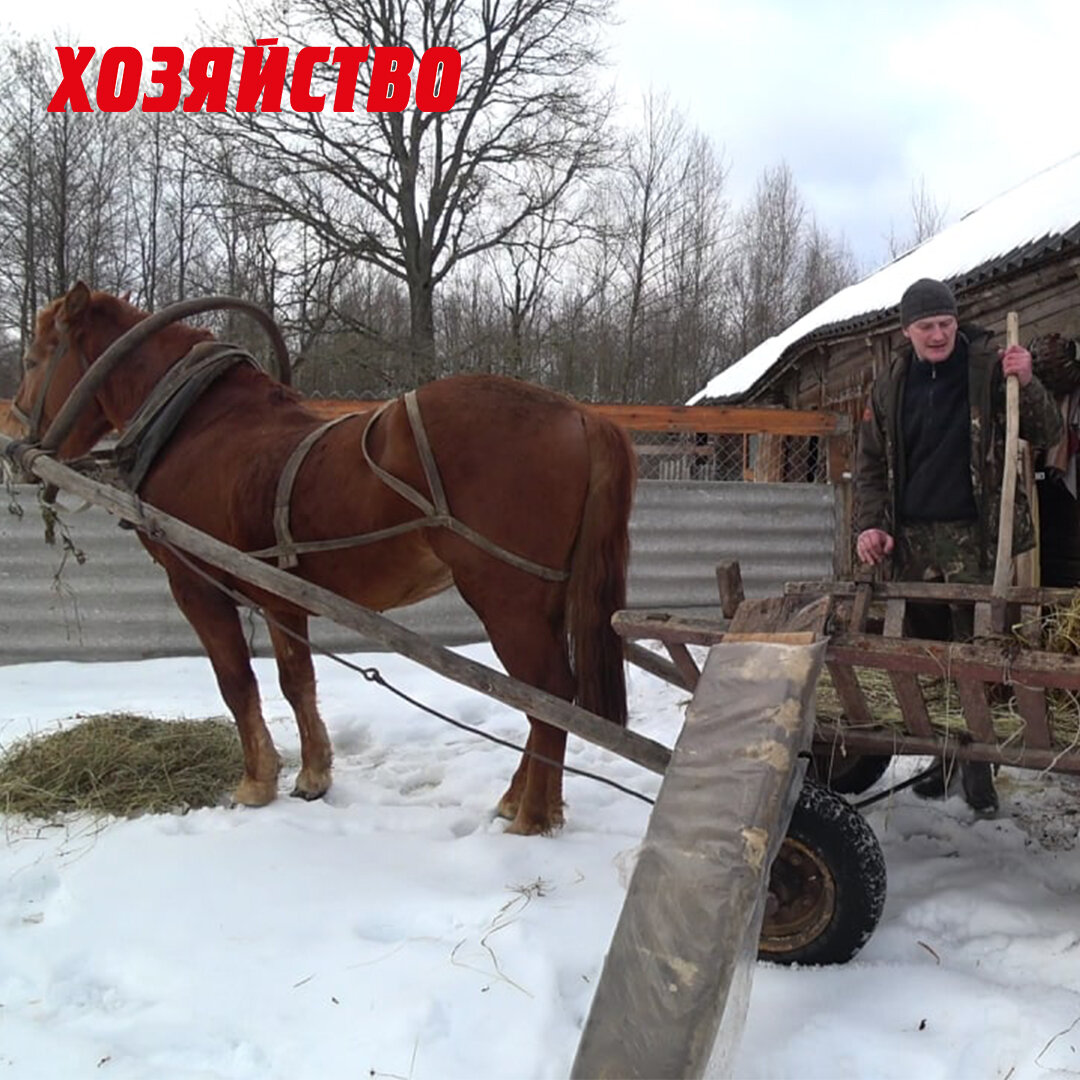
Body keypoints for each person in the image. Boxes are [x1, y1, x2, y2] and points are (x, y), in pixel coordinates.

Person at [854, 277, 1063, 814]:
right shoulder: (890, 384)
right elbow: (872, 465)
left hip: (976, 537)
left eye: (946, 323)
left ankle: (979, 766)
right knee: (929, 656)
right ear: (907, 331)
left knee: (977, 653)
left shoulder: (988, 367)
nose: (939, 333)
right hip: (914, 541)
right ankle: (941, 755)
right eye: (927, 326)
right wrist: (869, 526)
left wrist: (1029, 381)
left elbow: (1046, 430)